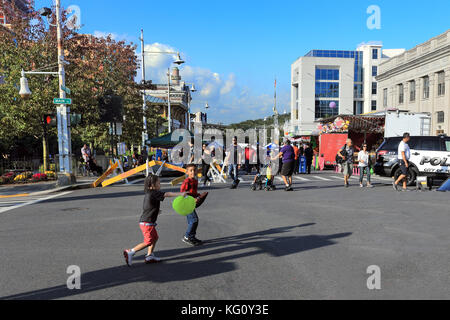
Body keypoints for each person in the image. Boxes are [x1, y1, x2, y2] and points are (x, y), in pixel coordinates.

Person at [123, 175, 186, 266]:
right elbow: (167, 194)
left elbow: (147, 206)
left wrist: (155, 211)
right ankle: (131, 252)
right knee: (148, 241)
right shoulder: (154, 192)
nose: (160, 184)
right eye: (159, 183)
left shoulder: (149, 193)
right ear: (153, 184)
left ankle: (149, 256)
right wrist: (180, 194)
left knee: (155, 238)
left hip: (147, 221)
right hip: (147, 223)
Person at [181, 164, 204, 246]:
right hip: (186, 204)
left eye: (194, 170)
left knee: (194, 220)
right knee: (194, 220)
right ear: (187, 172)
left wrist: (198, 195)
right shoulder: (187, 181)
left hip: (191, 204)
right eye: (191, 170)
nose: (193, 172)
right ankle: (186, 237)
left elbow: (193, 192)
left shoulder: (194, 180)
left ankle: (192, 236)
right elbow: (183, 193)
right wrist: (191, 198)